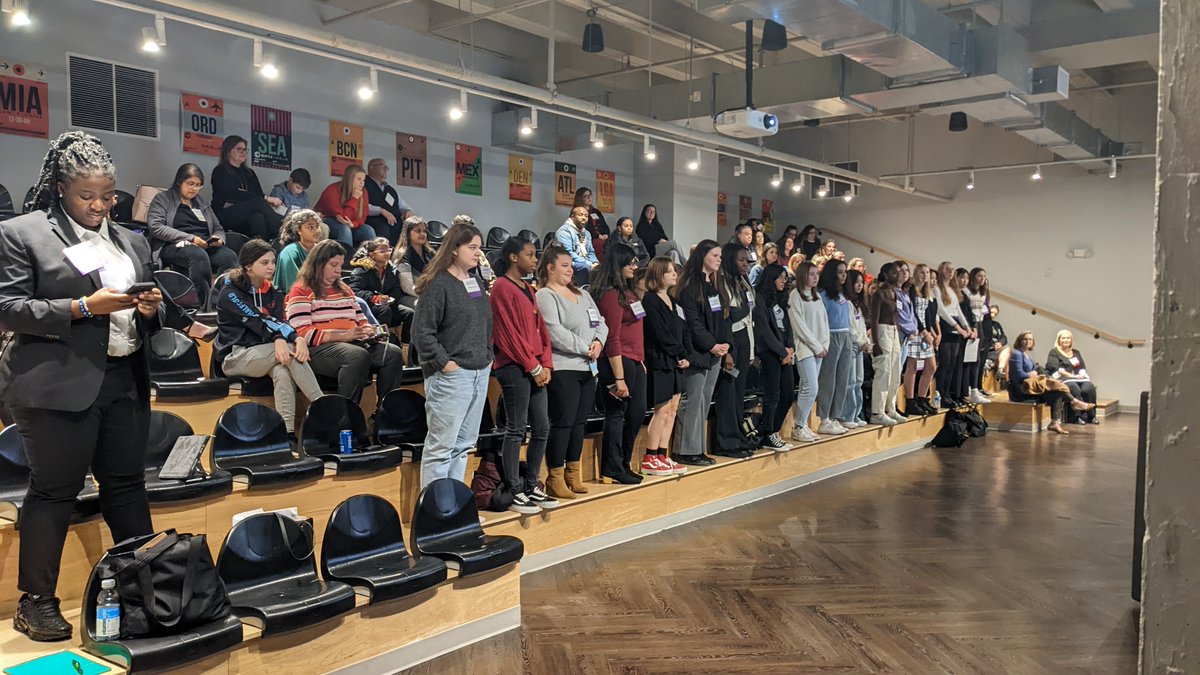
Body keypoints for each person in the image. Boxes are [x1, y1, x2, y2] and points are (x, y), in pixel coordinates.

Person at [0, 131, 164, 641]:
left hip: (123, 378)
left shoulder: (132, 239)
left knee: (128, 487)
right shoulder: (22, 232)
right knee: (54, 492)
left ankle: (146, 588)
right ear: (61, 189)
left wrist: (151, 310)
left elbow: (148, 315)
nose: (98, 204)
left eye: (107, 194)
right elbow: (7, 308)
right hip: (54, 386)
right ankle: (37, 602)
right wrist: (80, 308)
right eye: (85, 195)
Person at [411, 222, 493, 488]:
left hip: (479, 371)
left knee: (464, 445)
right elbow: (422, 332)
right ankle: (434, 511)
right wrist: (444, 363)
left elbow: (485, 323)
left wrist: (487, 356)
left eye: (479, 248)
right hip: (452, 376)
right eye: (472, 247)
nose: (478, 253)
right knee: (441, 447)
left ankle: (454, 506)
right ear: (454, 249)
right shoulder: (439, 284)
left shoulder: (475, 281)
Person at [215, 239, 323, 437]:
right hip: (235, 356)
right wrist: (281, 339)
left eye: (273, 262)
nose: (271, 266)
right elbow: (257, 320)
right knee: (289, 354)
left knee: (282, 371)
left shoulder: (273, 292)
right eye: (264, 263)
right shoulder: (230, 292)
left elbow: (281, 321)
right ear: (248, 265)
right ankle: (324, 408)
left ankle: (287, 433)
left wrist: (297, 337)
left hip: (265, 353)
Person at [284, 240, 405, 403]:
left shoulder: (344, 289)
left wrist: (368, 331)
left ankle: (384, 413)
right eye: (333, 265)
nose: (338, 271)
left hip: (353, 343)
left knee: (392, 353)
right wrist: (344, 335)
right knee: (356, 355)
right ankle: (344, 412)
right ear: (318, 264)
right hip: (318, 349)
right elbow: (303, 333)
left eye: (340, 265)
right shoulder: (301, 290)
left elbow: (362, 320)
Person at [489, 237, 556, 513]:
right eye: (530, 254)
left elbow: (541, 330)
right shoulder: (501, 288)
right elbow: (507, 335)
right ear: (514, 257)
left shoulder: (529, 288)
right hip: (514, 366)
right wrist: (534, 366)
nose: (535, 260)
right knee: (516, 428)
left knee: (542, 427)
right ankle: (514, 488)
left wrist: (547, 363)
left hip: (536, 366)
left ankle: (532, 483)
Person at [535, 243, 608, 499]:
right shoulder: (545, 295)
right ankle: (555, 476)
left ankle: (572, 473)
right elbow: (553, 331)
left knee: (579, 423)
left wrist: (599, 342)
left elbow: (602, 322)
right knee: (563, 422)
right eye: (564, 266)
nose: (569, 270)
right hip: (564, 367)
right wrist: (585, 346)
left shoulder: (584, 294)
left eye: (570, 266)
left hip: (589, 368)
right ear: (550, 268)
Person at [590, 243, 647, 484]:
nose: (635, 266)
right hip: (617, 361)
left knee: (636, 413)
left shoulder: (630, 293)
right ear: (618, 264)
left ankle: (624, 462)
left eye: (635, 262)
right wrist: (619, 377)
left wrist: (641, 360)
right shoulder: (611, 295)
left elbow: (637, 330)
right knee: (617, 414)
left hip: (635, 360)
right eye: (630, 263)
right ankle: (612, 466)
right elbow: (611, 336)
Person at [146, 163, 238, 306]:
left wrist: (219, 238)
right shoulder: (163, 199)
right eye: (190, 184)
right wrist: (191, 238)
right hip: (175, 245)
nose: (194, 189)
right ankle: (205, 304)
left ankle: (225, 301)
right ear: (179, 182)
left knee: (229, 256)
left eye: (198, 185)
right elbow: (156, 227)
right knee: (197, 255)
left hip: (204, 243)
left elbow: (217, 226)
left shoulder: (201, 203)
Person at [672, 241, 729, 466]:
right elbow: (693, 323)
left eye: (720, 256)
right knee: (692, 401)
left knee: (705, 400)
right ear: (703, 255)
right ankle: (685, 450)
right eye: (715, 255)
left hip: (715, 350)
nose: (719, 259)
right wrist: (711, 345)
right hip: (697, 351)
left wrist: (724, 345)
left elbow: (721, 317)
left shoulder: (713, 285)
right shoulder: (689, 286)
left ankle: (698, 448)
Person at [640, 257, 689, 475]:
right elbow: (660, 333)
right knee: (661, 408)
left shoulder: (674, 301)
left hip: (676, 360)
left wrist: (685, 355)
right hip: (660, 359)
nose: (674, 274)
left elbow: (682, 331)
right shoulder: (650, 300)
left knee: (672, 409)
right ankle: (650, 456)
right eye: (669, 271)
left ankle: (662, 454)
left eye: (674, 271)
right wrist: (678, 353)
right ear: (658, 274)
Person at [712, 243, 757, 455]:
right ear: (730, 260)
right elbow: (724, 319)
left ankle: (738, 436)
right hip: (730, 339)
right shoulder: (720, 283)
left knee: (739, 393)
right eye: (741, 260)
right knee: (728, 394)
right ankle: (726, 442)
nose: (746, 263)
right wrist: (728, 350)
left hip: (745, 337)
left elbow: (749, 314)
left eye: (747, 259)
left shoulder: (742, 282)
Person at [1008, 331, 1095, 434]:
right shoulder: (1016, 354)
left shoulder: (1027, 354)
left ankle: (1054, 423)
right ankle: (1074, 402)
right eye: (1025, 339)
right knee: (1058, 386)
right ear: (1019, 341)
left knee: (1057, 392)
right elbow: (1017, 375)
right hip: (1021, 388)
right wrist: (1031, 374)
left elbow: (1035, 368)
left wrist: (1036, 372)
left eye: (1030, 339)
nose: (1028, 341)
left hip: (1032, 385)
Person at [752, 264, 795, 450]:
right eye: (781, 277)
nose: (784, 281)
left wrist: (791, 348)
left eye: (786, 278)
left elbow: (788, 325)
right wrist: (781, 352)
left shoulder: (781, 298)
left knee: (787, 393)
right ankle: (768, 433)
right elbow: (763, 330)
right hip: (770, 351)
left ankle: (772, 431)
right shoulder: (760, 298)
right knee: (772, 395)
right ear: (771, 278)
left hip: (785, 351)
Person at [210, 135, 283, 239]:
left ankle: (260, 250)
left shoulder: (249, 173)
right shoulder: (220, 171)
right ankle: (284, 231)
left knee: (258, 218)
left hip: (245, 214)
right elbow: (232, 194)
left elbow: (257, 194)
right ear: (228, 151)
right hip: (224, 213)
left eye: (245, 150)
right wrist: (266, 198)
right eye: (239, 149)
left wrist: (259, 198)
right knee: (259, 202)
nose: (243, 152)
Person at [789, 261, 828, 441]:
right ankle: (798, 426)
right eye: (811, 274)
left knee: (812, 387)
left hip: (819, 348)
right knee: (810, 387)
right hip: (805, 348)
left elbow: (823, 323)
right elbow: (800, 326)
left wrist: (824, 344)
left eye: (816, 274)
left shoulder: (817, 296)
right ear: (803, 275)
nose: (815, 277)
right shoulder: (795, 296)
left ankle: (803, 424)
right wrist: (816, 346)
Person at [815, 259, 854, 434]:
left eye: (845, 271)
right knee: (828, 379)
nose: (844, 275)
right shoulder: (822, 294)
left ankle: (835, 416)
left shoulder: (843, 294)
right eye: (840, 272)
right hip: (831, 335)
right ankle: (824, 418)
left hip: (845, 335)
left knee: (843, 379)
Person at [347, 237, 413, 333]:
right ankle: (379, 339)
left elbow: (396, 288)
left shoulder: (391, 269)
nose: (387, 253)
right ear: (372, 254)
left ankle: (405, 345)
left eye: (389, 250)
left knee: (409, 313)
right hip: (369, 305)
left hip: (387, 304)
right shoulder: (363, 269)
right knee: (385, 311)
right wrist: (374, 298)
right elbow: (354, 290)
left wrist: (391, 298)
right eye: (382, 251)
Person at [868, 262, 905, 425]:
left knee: (895, 373)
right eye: (894, 273)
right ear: (886, 273)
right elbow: (874, 320)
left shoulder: (895, 293)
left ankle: (891, 408)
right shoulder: (879, 293)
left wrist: (898, 336)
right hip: (882, 331)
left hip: (894, 331)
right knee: (883, 372)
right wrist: (875, 343)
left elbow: (896, 316)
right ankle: (877, 411)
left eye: (899, 273)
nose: (898, 276)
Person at [901, 263, 939, 415]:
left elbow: (928, 315)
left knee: (931, 366)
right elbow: (913, 313)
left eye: (927, 273)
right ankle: (910, 401)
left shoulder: (927, 292)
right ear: (916, 274)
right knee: (912, 367)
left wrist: (932, 332)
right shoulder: (911, 289)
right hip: (915, 331)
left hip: (925, 332)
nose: (925, 275)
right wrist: (924, 332)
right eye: (922, 273)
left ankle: (921, 399)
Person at [934, 260, 972, 408]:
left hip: (955, 326)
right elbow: (942, 311)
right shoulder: (937, 289)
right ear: (941, 271)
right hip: (945, 325)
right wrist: (958, 327)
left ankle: (947, 394)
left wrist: (966, 327)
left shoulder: (952, 289)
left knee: (952, 364)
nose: (951, 273)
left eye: (952, 270)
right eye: (948, 270)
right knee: (944, 362)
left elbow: (958, 310)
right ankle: (941, 394)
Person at [316, 165, 373, 257]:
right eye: (359, 179)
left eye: (364, 180)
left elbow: (363, 216)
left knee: (368, 230)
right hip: (328, 220)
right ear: (349, 179)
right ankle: (346, 262)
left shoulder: (364, 192)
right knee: (344, 229)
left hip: (350, 223)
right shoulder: (332, 190)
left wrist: (353, 224)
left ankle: (370, 262)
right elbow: (342, 217)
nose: (362, 183)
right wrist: (354, 199)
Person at [1046, 329, 1099, 424]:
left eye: (1068, 338)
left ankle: (1091, 415)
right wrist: (1071, 375)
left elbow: (1082, 366)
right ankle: (1075, 416)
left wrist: (1081, 375)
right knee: (1074, 388)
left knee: (1089, 388)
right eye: (1063, 338)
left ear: (1071, 340)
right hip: (1062, 378)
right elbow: (1056, 368)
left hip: (1077, 377)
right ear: (1059, 340)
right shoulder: (1054, 352)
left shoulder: (1076, 352)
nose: (1066, 340)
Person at [842, 269, 871, 427]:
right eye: (856, 282)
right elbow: (850, 328)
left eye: (861, 282)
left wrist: (866, 341)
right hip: (852, 345)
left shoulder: (858, 304)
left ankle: (855, 414)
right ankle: (847, 415)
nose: (859, 285)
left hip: (860, 346)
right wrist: (861, 342)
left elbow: (861, 326)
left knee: (858, 381)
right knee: (850, 381)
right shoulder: (846, 303)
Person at [364, 157, 413, 244]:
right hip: (374, 220)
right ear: (372, 167)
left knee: (411, 230)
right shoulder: (363, 184)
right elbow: (360, 206)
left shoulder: (390, 189)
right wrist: (381, 211)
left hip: (394, 222)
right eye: (383, 166)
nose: (386, 169)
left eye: (387, 168)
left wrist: (408, 211)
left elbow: (403, 206)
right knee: (383, 228)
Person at [273, 209, 324, 293]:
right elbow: (294, 286)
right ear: (299, 230)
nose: (316, 231)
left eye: (317, 226)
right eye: (310, 227)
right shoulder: (290, 253)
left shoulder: (322, 250)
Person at [391, 215, 434, 312]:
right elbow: (407, 287)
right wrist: (430, 296)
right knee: (426, 306)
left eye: (424, 231)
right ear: (408, 233)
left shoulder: (430, 253)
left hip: (429, 293)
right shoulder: (402, 255)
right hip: (408, 296)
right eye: (418, 231)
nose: (422, 234)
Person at [964, 267, 993, 404]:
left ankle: (975, 389)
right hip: (970, 325)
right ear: (973, 277)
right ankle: (968, 389)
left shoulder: (983, 293)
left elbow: (982, 312)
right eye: (979, 276)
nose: (982, 279)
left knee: (977, 360)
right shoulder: (966, 291)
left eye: (984, 276)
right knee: (970, 359)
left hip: (979, 325)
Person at [556, 205, 599, 287]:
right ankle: (581, 291)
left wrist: (595, 263)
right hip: (568, 262)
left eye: (586, 216)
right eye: (580, 215)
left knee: (600, 268)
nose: (584, 218)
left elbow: (591, 252)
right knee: (585, 267)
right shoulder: (564, 231)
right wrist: (590, 264)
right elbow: (568, 254)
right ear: (572, 217)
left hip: (585, 261)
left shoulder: (586, 233)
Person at [575, 187, 609, 260]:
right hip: (589, 239)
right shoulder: (576, 212)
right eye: (586, 196)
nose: (589, 198)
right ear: (580, 198)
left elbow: (604, 225)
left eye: (590, 195)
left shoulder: (596, 211)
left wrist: (606, 234)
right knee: (598, 244)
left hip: (601, 238)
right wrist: (597, 236)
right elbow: (584, 228)